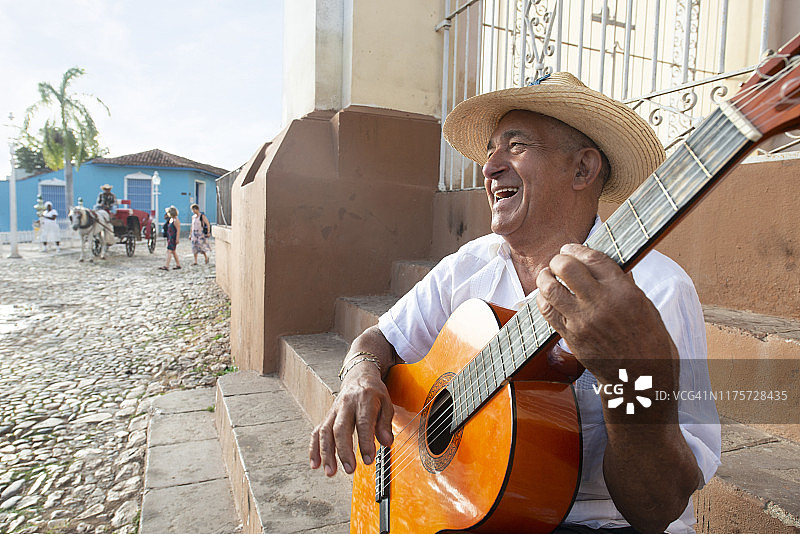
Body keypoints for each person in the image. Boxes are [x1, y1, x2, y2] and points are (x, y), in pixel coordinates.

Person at [308, 73, 720, 533]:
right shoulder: (471, 264)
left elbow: (656, 508)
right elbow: (379, 338)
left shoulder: (656, 291)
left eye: (516, 146)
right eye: (490, 150)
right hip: (458, 506)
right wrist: (359, 373)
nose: (489, 167)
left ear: (583, 169)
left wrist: (631, 374)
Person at [159, 206, 181, 270]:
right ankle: (178, 264)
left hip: (173, 238)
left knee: (169, 251)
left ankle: (166, 265)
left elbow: (178, 230)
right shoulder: (171, 219)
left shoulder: (176, 220)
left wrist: (177, 238)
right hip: (170, 237)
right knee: (173, 252)